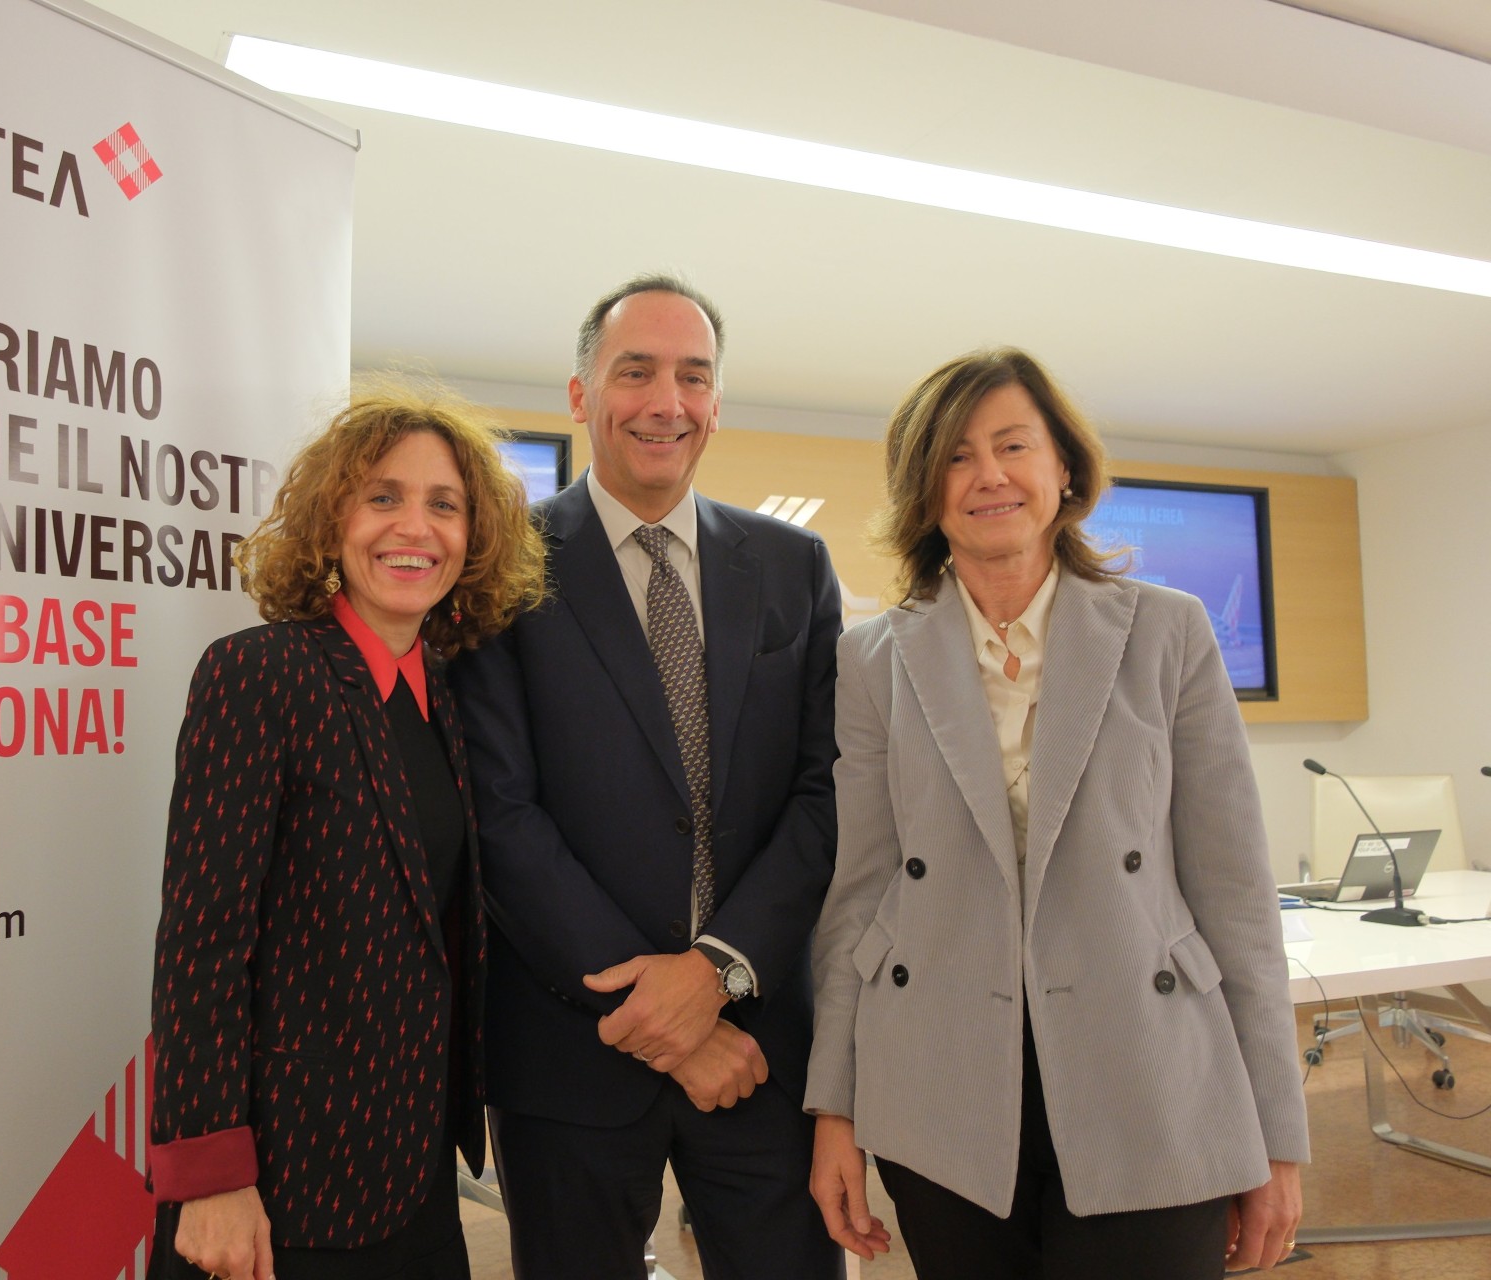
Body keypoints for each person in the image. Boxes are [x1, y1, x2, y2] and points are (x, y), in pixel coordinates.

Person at [806, 347, 1308, 1279]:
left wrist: (1277, 1134)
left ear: (1065, 469)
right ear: (923, 490)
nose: (988, 475)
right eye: (956, 456)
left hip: (1151, 1078)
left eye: (1013, 446)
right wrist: (835, 1108)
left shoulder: (1168, 632)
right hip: (941, 1087)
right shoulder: (872, 659)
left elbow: (1236, 896)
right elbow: (860, 895)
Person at [451, 275, 845, 1278]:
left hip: (760, 1047)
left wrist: (716, 973)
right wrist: (667, 1022)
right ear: (581, 394)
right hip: (572, 1052)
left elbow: (825, 792)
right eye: (636, 371)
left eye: (693, 376)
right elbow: (500, 815)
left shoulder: (794, 566)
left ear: (716, 401)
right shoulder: (500, 564)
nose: (666, 401)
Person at [147, 380, 545, 1280]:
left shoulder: (446, 697)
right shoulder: (259, 675)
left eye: (444, 505)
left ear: (474, 536)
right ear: (333, 521)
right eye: (384, 497)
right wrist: (210, 1176)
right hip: (282, 1177)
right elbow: (201, 944)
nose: (416, 527)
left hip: (412, 1165)